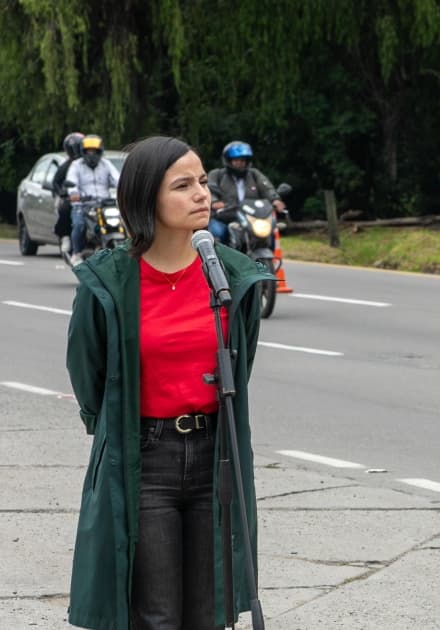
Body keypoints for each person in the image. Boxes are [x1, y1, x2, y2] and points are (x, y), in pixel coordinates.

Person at [65, 136, 274, 629]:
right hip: (146, 457)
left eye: (202, 181)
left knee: (211, 611)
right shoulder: (109, 282)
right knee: (155, 614)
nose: (202, 193)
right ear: (145, 200)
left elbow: (238, 369)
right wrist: (120, 428)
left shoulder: (232, 277)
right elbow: (87, 372)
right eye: (183, 185)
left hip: (215, 454)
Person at [207, 140, 285, 247]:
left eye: (243, 160)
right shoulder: (217, 175)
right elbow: (208, 190)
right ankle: (217, 262)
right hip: (224, 217)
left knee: (268, 231)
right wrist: (215, 202)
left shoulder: (254, 174)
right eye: (236, 160)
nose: (240, 163)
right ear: (228, 160)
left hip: (251, 217)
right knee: (218, 233)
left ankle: (268, 258)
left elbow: (267, 188)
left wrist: (275, 199)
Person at [65, 134, 120, 265]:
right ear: (83, 152)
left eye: (94, 151)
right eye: (88, 151)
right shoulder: (76, 165)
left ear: (100, 151)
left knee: (121, 222)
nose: (91, 154)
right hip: (83, 204)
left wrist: (126, 189)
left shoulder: (106, 164)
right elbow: (71, 182)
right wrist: (74, 193)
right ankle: (77, 253)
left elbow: (118, 180)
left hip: (104, 204)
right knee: (79, 224)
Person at [52, 131, 86, 251]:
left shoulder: (94, 163)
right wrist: (62, 193)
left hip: (89, 196)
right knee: (64, 208)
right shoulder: (66, 166)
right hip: (71, 197)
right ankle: (65, 235)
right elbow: (56, 182)